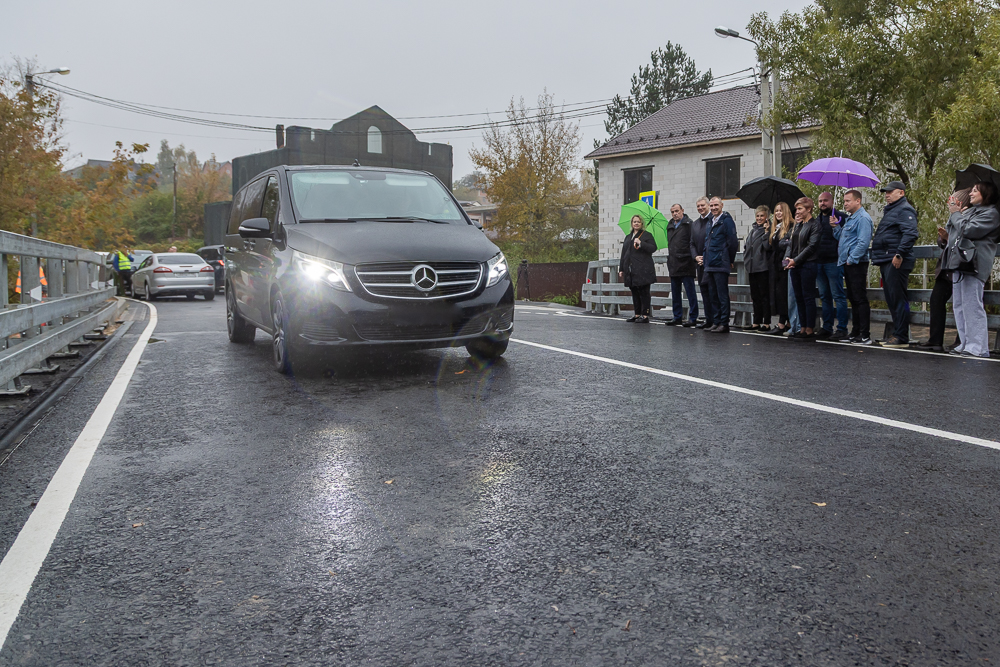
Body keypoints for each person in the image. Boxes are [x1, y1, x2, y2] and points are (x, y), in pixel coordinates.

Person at [939, 181, 1000, 358]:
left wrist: (956, 214)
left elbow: (968, 230)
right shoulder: (970, 211)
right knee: (959, 304)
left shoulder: (991, 214)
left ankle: (978, 346)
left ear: (986, 194)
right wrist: (955, 213)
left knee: (972, 305)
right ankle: (965, 342)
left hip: (975, 264)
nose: (970, 194)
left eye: (975, 191)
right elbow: (953, 232)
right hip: (960, 261)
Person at [915, 189, 970, 352]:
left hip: (960, 266)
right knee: (936, 300)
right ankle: (935, 340)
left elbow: (964, 239)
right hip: (946, 266)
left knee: (962, 304)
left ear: (960, 202)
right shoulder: (953, 216)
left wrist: (949, 237)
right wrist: (944, 238)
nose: (950, 203)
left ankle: (961, 340)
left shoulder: (967, 217)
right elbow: (943, 242)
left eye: (953, 200)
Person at [870, 181, 919, 348]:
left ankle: (901, 336)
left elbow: (911, 233)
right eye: (886, 192)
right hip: (887, 259)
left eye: (890, 192)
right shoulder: (892, 210)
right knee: (892, 298)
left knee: (898, 298)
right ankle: (897, 333)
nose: (887, 195)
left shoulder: (904, 209)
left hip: (896, 260)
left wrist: (899, 254)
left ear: (901, 193)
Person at [832, 190, 874, 345]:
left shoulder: (862, 218)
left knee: (860, 298)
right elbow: (842, 239)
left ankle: (864, 334)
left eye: (848, 200)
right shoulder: (850, 218)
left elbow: (863, 242)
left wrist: (851, 259)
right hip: (848, 262)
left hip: (857, 263)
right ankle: (855, 332)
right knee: (853, 298)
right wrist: (835, 226)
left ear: (858, 201)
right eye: (844, 201)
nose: (845, 204)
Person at [784, 197, 822, 340]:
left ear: (809, 209)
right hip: (795, 265)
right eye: (797, 209)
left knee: (808, 297)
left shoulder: (815, 225)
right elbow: (790, 244)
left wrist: (796, 260)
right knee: (798, 297)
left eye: (800, 209)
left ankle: (809, 329)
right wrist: (788, 260)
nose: (797, 211)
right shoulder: (798, 225)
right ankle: (802, 328)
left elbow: (811, 246)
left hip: (808, 264)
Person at [814, 191, 849, 340]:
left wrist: (836, 225)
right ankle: (827, 327)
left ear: (832, 201)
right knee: (824, 296)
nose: (823, 203)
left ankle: (842, 328)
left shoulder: (841, 217)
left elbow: (846, 239)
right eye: (820, 201)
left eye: (825, 200)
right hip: (819, 262)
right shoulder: (816, 220)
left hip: (834, 262)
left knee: (838, 296)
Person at [704, 197, 739, 333]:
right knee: (713, 294)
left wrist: (729, 259)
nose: (713, 208)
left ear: (722, 205)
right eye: (711, 205)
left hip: (720, 262)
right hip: (710, 263)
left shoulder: (726, 221)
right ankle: (716, 321)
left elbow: (733, 242)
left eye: (716, 205)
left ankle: (724, 323)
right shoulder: (710, 221)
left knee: (722, 295)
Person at [619, 214, 658, 323]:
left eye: (638, 222)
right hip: (631, 270)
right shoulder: (628, 237)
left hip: (643, 269)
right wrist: (621, 268)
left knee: (644, 292)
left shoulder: (647, 235)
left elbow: (653, 248)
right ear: (632, 223)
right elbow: (624, 253)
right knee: (634, 291)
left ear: (642, 224)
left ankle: (645, 315)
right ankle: (637, 314)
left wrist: (641, 243)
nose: (636, 223)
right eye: (634, 222)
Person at [666, 203, 699, 326]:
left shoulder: (689, 224)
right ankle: (677, 316)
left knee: (690, 293)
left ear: (682, 211)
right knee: (675, 293)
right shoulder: (670, 226)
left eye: (677, 211)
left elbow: (693, 243)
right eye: (673, 212)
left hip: (686, 263)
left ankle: (693, 317)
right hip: (674, 263)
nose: (675, 214)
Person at [766, 202, 796, 335]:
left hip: (784, 264)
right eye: (776, 211)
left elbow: (788, 245)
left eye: (780, 210)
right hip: (775, 265)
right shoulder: (776, 228)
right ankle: (786, 321)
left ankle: (782, 323)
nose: (778, 213)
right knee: (778, 294)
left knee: (783, 294)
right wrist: (767, 232)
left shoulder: (790, 226)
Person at [743, 205, 772, 330]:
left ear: (767, 217)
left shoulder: (769, 230)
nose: (759, 218)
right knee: (755, 296)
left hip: (762, 267)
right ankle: (756, 321)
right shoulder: (753, 230)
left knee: (764, 295)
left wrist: (766, 232)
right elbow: (747, 246)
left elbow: (767, 247)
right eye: (758, 216)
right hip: (752, 267)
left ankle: (766, 322)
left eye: (762, 216)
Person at [690, 197, 715, 329]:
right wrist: (695, 257)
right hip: (699, 264)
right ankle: (709, 320)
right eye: (698, 206)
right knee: (704, 292)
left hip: (711, 262)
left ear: (708, 205)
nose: (700, 208)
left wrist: (705, 257)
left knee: (713, 292)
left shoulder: (713, 220)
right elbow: (692, 243)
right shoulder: (695, 224)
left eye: (702, 205)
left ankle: (716, 320)